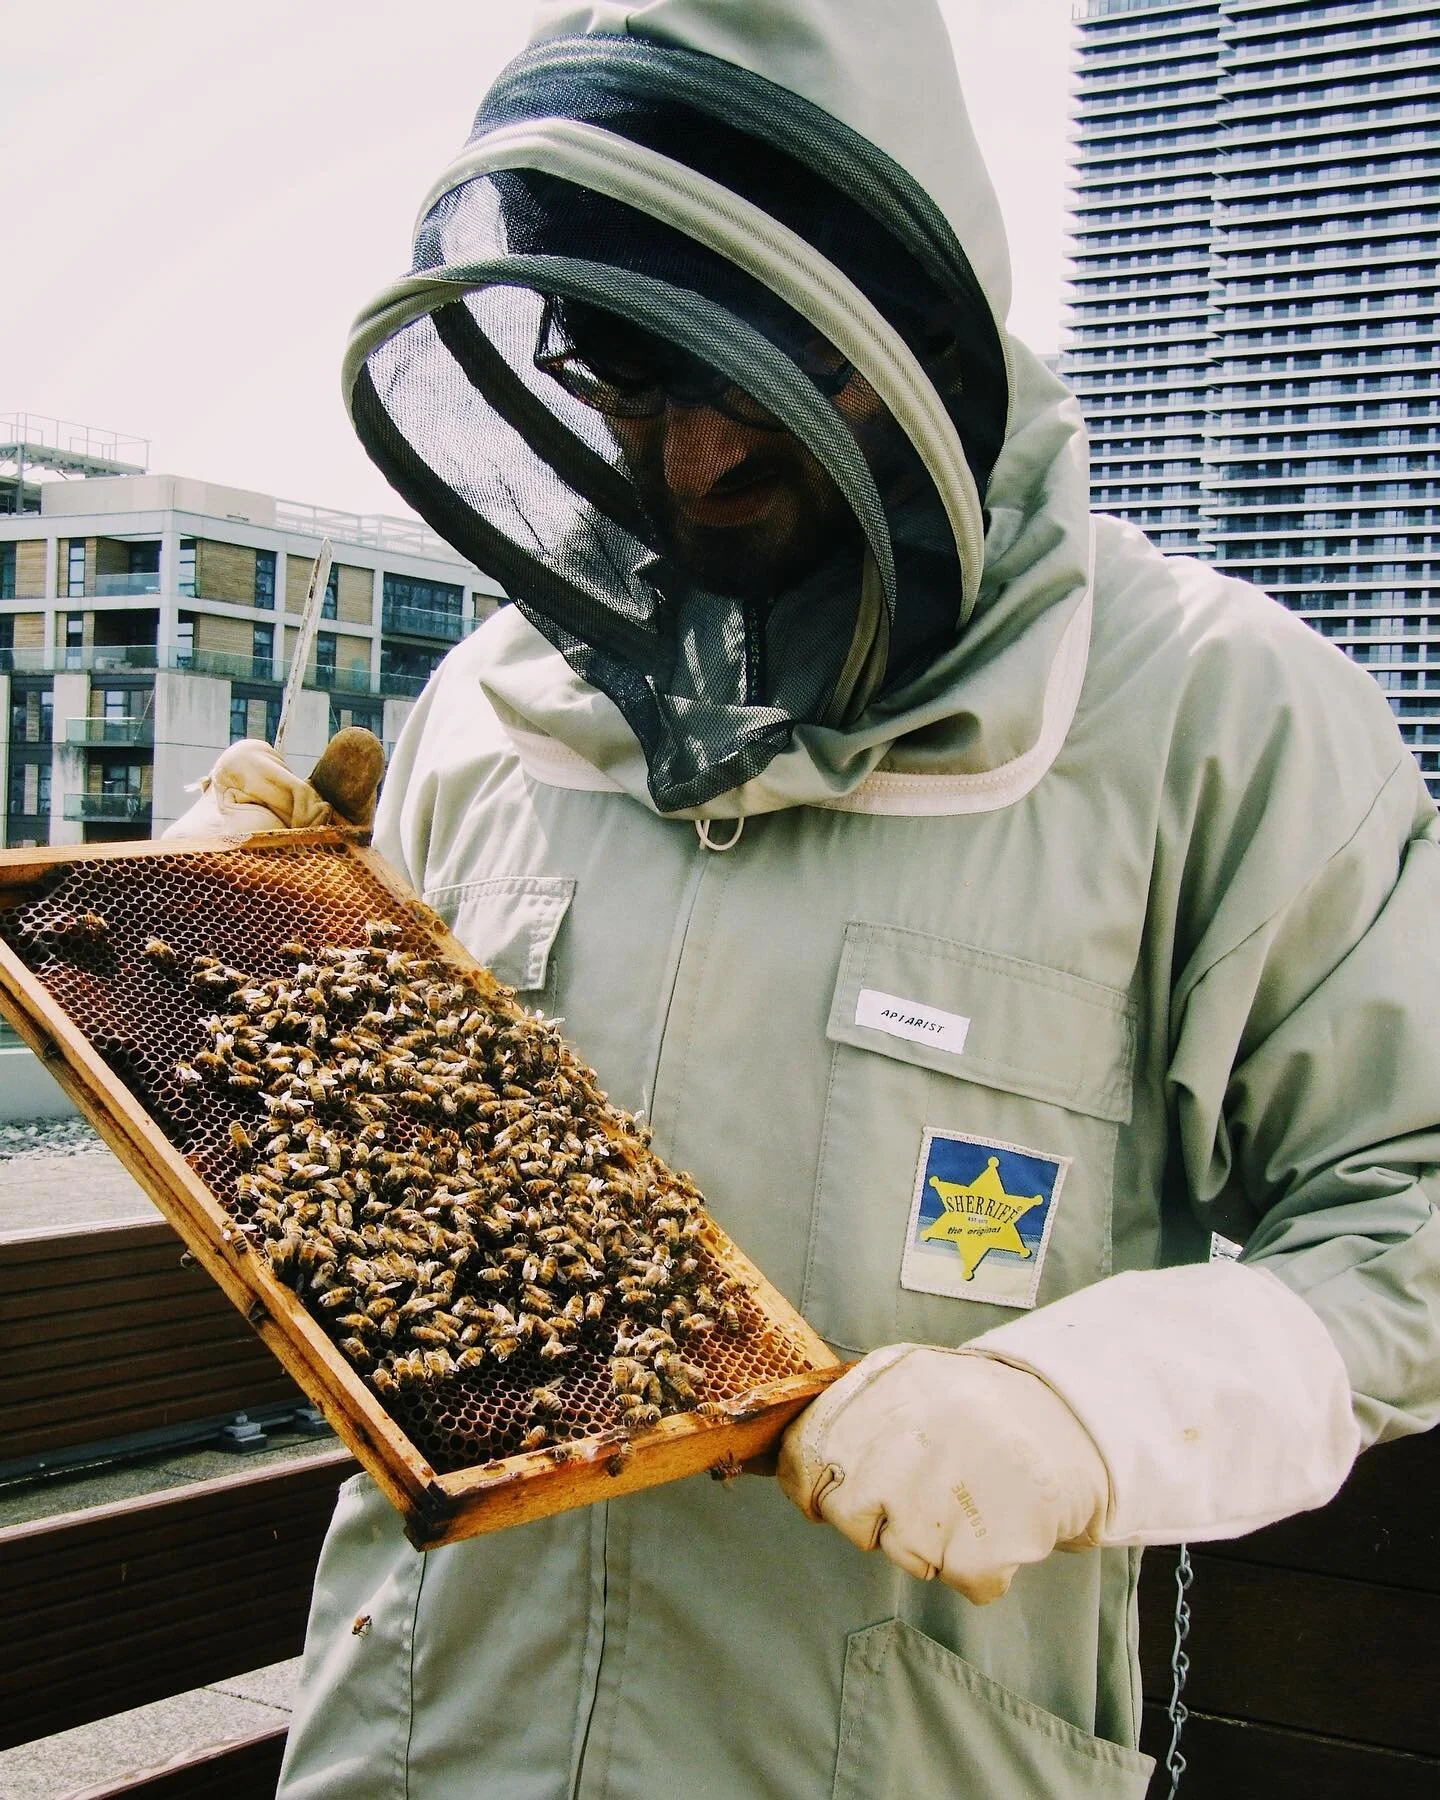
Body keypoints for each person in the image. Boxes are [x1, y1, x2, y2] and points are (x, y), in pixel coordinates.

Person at [235, 2, 1440, 1794]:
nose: (694, 462)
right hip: (427, 1744)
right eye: (629, 379)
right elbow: (382, 1241)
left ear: (922, 327)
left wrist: (1082, 1410)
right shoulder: (488, 714)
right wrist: (261, 954)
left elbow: (1405, 1217)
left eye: (756, 376)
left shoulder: (1222, 717)